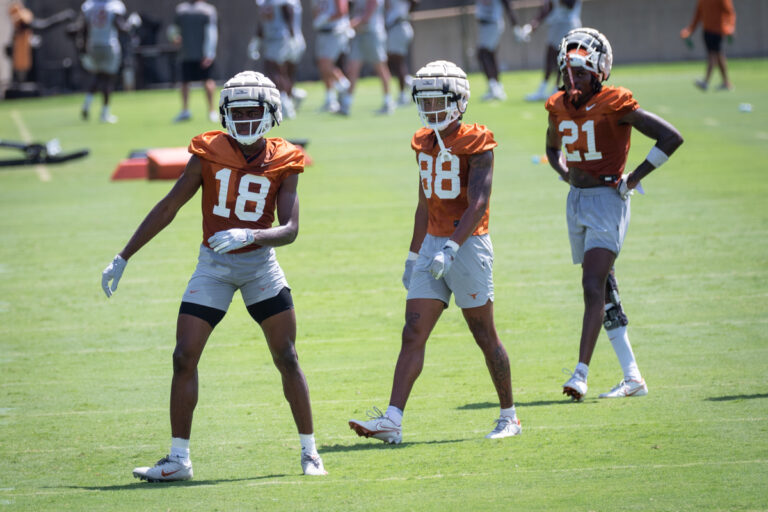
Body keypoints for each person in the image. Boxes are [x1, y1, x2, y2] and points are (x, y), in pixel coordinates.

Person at [101, 71, 327, 479]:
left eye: (251, 111)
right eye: (236, 112)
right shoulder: (208, 151)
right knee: (183, 355)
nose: (243, 119)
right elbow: (169, 206)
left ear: (270, 113)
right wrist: (123, 256)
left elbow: (290, 229)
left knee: (287, 356)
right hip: (214, 266)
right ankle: (178, 460)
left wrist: (250, 234)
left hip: (259, 265)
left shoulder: (285, 157)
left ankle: (310, 453)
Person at [349, 60, 522, 443]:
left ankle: (509, 416)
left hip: (467, 245)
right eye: (424, 100)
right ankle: (392, 420)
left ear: (459, 102)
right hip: (432, 244)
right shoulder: (423, 142)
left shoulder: (477, 141)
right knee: (413, 331)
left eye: (438, 100)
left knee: (483, 333)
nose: (430, 108)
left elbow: (478, 202)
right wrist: (414, 255)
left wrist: (452, 248)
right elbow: (424, 204)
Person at [543, 28, 683, 401]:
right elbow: (552, 148)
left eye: (581, 73)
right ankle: (633, 377)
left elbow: (671, 137)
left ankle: (580, 373)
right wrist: (566, 175)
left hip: (608, 200)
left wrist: (634, 177)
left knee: (592, 285)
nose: (573, 81)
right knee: (605, 290)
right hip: (576, 201)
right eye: (568, 73)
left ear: (599, 72)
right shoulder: (557, 105)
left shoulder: (615, 102)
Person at [339, 0, 393, 115]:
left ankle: (388, 102)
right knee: (352, 68)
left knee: (380, 68)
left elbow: (366, 17)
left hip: (373, 35)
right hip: (359, 35)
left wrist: (346, 26)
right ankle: (346, 104)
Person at [78, 0, 129, 123]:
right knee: (108, 79)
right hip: (109, 45)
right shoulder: (114, 6)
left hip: (93, 45)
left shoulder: (89, 5)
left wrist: (83, 48)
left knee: (98, 76)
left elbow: (84, 28)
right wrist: (131, 25)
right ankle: (105, 113)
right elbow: (121, 27)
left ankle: (87, 104)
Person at [169, 0, 218, 123]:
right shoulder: (181, 10)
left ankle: (212, 111)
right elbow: (174, 29)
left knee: (208, 81)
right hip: (186, 54)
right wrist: (174, 37)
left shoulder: (208, 10)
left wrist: (209, 54)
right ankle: (185, 111)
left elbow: (211, 32)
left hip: (202, 55)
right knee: (185, 82)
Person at [524, 0, 582, 102]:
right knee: (550, 57)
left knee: (562, 58)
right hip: (555, 24)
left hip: (568, 24)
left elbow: (570, 4)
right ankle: (543, 88)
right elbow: (548, 7)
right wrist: (534, 23)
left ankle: (557, 88)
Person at [255, 0, 301, 119]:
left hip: (279, 37)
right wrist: (257, 40)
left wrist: (292, 36)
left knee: (274, 70)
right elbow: (263, 22)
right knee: (279, 71)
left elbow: (288, 14)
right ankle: (288, 101)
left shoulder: (282, 3)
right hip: (273, 38)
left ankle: (285, 103)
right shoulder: (265, 3)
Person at [680, 0, 736, 91]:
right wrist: (689, 30)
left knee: (712, 55)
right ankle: (726, 82)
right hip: (707, 31)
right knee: (718, 55)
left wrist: (730, 27)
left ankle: (706, 82)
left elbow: (729, 12)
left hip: (718, 30)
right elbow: (697, 16)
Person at [475, 0, 523, 102]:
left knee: (483, 54)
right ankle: (496, 86)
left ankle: (494, 87)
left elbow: (508, 6)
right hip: (485, 25)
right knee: (490, 55)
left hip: (492, 23)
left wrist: (515, 27)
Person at [312, 0, 352, 113]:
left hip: (335, 32)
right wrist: (318, 19)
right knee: (322, 66)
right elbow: (316, 9)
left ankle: (343, 83)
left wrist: (325, 19)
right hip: (323, 32)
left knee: (326, 64)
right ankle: (330, 100)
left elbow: (342, 10)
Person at [385, 0, 418, 107]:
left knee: (397, 62)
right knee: (390, 62)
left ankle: (403, 95)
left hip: (399, 26)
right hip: (394, 28)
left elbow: (415, 2)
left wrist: (405, 14)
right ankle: (410, 82)